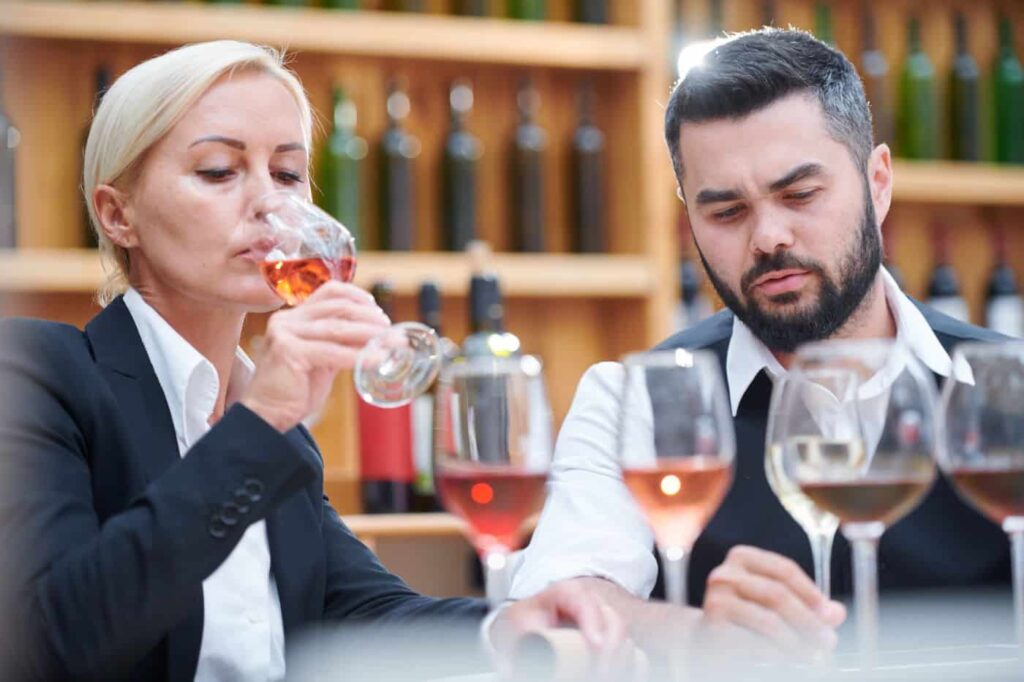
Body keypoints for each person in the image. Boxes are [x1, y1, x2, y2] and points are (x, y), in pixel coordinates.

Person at [0, 41, 621, 682]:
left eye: (288, 174)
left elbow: (357, 609)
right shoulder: (38, 374)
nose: (269, 205)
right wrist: (262, 423)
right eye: (219, 171)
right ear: (117, 213)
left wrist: (503, 628)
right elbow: (50, 639)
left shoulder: (270, 424)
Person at [493, 27, 1010, 659]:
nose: (768, 236)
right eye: (727, 212)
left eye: (799, 195)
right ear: (690, 224)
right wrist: (699, 639)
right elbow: (561, 604)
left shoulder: (1009, 385)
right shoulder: (633, 399)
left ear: (879, 183)